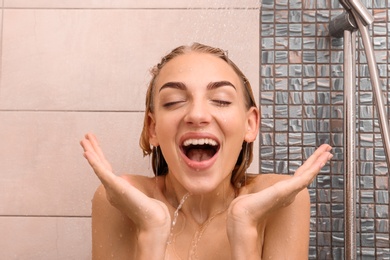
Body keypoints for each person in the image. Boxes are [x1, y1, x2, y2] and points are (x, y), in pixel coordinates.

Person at [80, 43, 333, 259]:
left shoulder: (280, 201)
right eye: (174, 102)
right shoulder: (121, 200)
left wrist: (244, 227)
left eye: (221, 100)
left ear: (250, 124)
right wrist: (152, 231)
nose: (197, 115)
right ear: (152, 128)